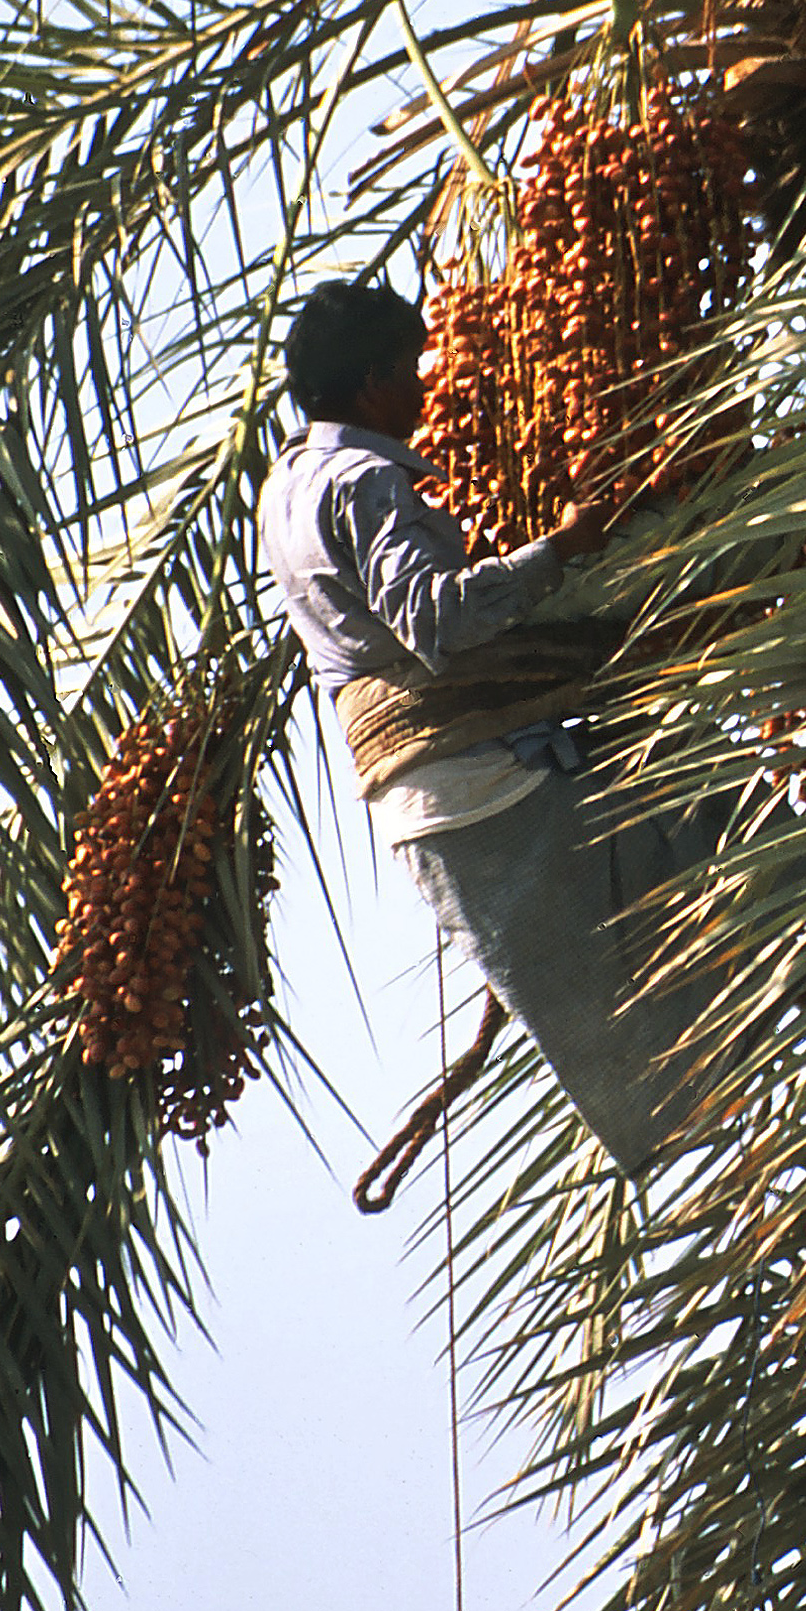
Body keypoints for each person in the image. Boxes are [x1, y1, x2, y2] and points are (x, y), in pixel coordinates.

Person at [258, 277, 717, 1173]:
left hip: (429, 814)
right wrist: (565, 547)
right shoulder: (367, 480)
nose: (426, 385)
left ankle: (715, 1149)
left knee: (632, 1056)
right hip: (492, 792)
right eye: (411, 367)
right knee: (716, 825)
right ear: (373, 383)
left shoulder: (287, 487)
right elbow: (436, 620)